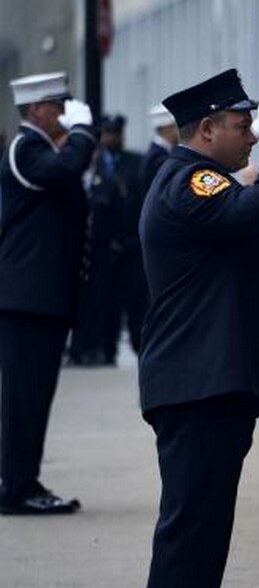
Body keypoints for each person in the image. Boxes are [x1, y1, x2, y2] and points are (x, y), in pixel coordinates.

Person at [138, 69, 259, 587]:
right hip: (198, 386)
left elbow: (252, 203)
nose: (252, 135)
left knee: (204, 532)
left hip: (204, 383)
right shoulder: (190, 182)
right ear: (208, 129)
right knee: (191, 535)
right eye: (243, 125)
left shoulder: (192, 180)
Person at [0, 72, 97, 515]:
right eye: (58, 105)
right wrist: (82, 132)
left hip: (39, 299)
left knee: (32, 396)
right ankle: (17, 487)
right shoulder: (26, 148)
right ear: (37, 109)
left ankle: (21, 480)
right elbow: (65, 169)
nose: (64, 112)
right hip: (28, 300)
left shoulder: (38, 149)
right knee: (25, 398)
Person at [69, 114, 147, 365]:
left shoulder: (136, 162)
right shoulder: (91, 163)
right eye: (108, 133)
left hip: (130, 244)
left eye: (116, 133)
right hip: (101, 247)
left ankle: (138, 346)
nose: (112, 138)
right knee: (101, 301)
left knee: (135, 302)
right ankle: (100, 349)